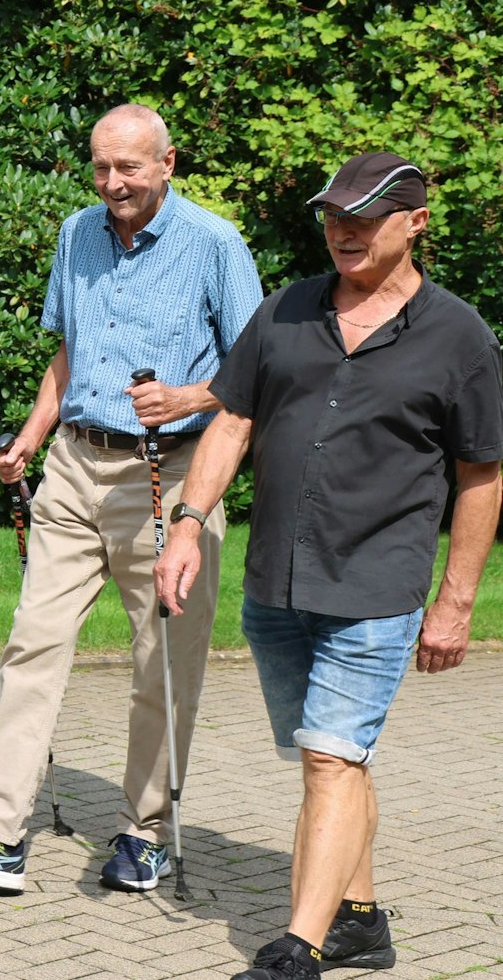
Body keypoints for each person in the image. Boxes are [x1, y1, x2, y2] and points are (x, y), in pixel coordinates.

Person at [155, 152, 502, 980]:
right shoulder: (283, 313)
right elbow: (233, 422)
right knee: (332, 757)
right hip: (276, 582)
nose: (343, 229)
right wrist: (186, 525)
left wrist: (456, 602)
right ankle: (359, 922)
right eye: (333, 214)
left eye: (366, 215)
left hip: (376, 584)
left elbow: (482, 474)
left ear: (416, 222)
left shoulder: (462, 338)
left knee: (330, 758)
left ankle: (296, 949)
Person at [0, 103, 263, 895]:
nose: (113, 183)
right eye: (102, 168)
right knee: (31, 644)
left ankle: (147, 833)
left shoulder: (215, 245)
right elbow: (70, 351)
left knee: (160, 665)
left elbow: (260, 373)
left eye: (129, 168)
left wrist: (184, 397)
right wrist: (32, 437)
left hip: (172, 476)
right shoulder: (78, 234)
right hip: (75, 467)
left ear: (168, 163)